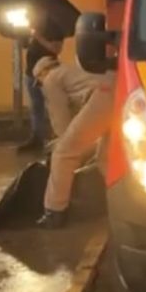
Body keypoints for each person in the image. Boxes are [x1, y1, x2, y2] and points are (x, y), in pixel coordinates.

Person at [32, 56, 114, 228]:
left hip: (103, 97)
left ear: (42, 73)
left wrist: (60, 142)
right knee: (105, 158)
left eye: (38, 81)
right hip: (116, 92)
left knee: (63, 153)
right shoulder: (70, 70)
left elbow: (60, 119)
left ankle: (54, 211)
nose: (40, 86)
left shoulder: (51, 79)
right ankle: (120, 205)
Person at [18, 13, 64, 154]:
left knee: (52, 106)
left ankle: (56, 138)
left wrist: (38, 36)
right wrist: (23, 36)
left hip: (47, 73)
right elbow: (26, 46)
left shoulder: (54, 28)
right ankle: (37, 138)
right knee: (36, 107)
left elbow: (56, 49)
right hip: (31, 73)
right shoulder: (32, 27)